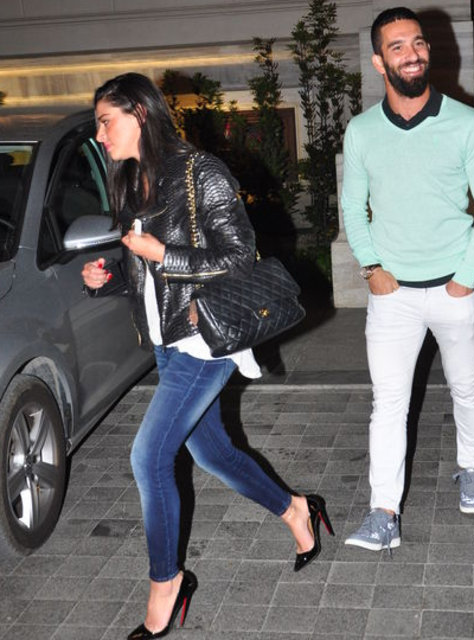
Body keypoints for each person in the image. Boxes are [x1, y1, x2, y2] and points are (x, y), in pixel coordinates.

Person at [82, 73, 334, 639]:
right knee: (213, 453)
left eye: (105, 121)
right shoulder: (132, 180)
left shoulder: (202, 172)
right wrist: (108, 279)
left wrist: (163, 254)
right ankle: (296, 509)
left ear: (139, 114)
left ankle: (167, 584)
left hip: (205, 337)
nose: (100, 135)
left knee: (149, 458)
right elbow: (147, 274)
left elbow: (239, 256)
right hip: (167, 342)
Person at [341, 7, 474, 552]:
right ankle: (383, 511)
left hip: (455, 287)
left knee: (468, 386)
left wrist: (466, 276)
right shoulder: (362, 131)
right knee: (388, 402)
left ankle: (472, 467)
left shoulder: (467, 123)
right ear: (379, 61)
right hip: (393, 295)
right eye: (397, 46)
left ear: (428, 50)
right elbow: (353, 207)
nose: (411, 54)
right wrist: (371, 267)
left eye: (417, 43)